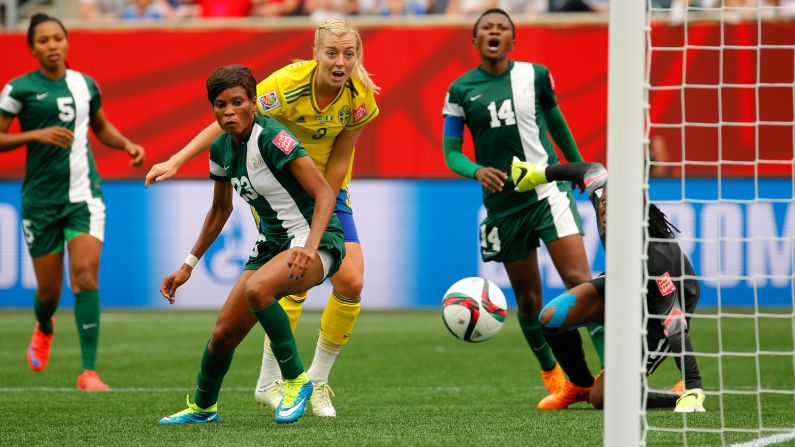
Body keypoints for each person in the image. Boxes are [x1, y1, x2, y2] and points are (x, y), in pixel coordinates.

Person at [144, 18, 379, 418]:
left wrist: (320, 218)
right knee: (228, 329)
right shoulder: (281, 90)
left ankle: (310, 381)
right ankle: (219, 401)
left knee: (345, 280)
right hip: (281, 201)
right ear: (316, 53)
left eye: (349, 53)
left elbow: (338, 164)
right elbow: (225, 143)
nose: (340, 61)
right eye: (332, 53)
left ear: (358, 55)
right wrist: (178, 160)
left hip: (322, 196)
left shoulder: (358, 100)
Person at [158, 64, 345, 425]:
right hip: (273, 245)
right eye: (220, 104)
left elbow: (324, 193)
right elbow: (220, 210)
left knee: (258, 290)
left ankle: (296, 380)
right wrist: (187, 266)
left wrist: (310, 247)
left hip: (318, 242)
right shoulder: (220, 150)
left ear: (254, 102)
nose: (229, 111)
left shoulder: (273, 138)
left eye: (237, 102)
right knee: (223, 334)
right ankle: (202, 408)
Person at [441, 7, 603, 409]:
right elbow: (450, 152)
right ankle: (562, 381)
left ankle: (613, 371)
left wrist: (579, 169)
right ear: (474, 41)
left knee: (579, 282)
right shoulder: (460, 90)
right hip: (503, 209)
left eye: (503, 28)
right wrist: (477, 171)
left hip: (548, 194)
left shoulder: (536, 75)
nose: (494, 32)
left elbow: (557, 122)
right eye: (486, 28)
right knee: (529, 302)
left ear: (513, 40)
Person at [0, 13, 145, 391]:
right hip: (41, 201)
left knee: (84, 275)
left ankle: (89, 371)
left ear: (67, 43)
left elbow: (101, 127)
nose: (52, 46)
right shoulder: (18, 90)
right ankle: (45, 324)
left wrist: (126, 144)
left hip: (84, 196)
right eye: (44, 41)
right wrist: (37, 135)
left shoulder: (85, 85)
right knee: (48, 292)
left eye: (58, 39)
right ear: (32, 48)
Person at [512, 159, 706, 413]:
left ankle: (678, 394)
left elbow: (674, 323)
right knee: (551, 317)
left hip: (658, 311)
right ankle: (580, 385)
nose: (605, 211)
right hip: (623, 283)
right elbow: (589, 170)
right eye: (604, 204)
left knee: (603, 399)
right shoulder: (605, 193)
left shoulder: (655, 256)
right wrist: (539, 174)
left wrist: (694, 385)